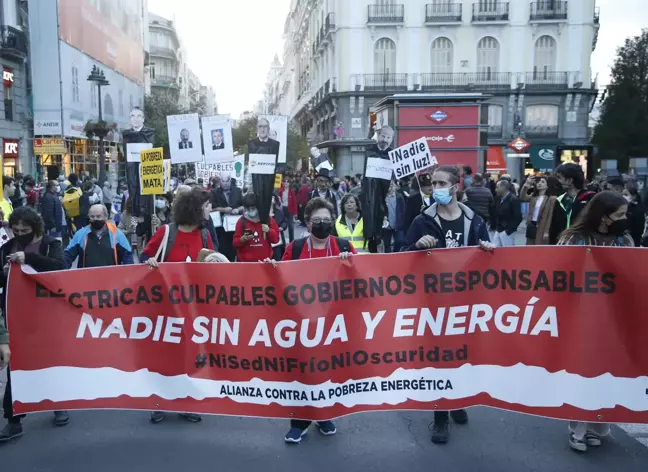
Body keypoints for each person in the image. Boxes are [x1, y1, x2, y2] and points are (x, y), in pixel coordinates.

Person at [402, 165, 493, 444]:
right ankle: (440, 414)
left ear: (456, 187)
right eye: (434, 183)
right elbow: (402, 256)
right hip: (433, 303)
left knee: (461, 357)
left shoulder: (473, 220)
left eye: (442, 183)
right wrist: (417, 246)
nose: (437, 188)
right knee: (438, 360)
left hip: (464, 302)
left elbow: (488, 255)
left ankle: (457, 401)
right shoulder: (422, 220)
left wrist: (487, 250)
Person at [264, 197, 356, 444]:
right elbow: (279, 279)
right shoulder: (295, 247)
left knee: (327, 370)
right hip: (301, 322)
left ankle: (324, 414)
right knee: (302, 371)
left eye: (327, 220)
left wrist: (351, 265)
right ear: (307, 222)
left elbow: (360, 282)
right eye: (317, 220)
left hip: (333, 323)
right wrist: (271, 267)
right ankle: (299, 421)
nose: (322, 224)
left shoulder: (343, 246)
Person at [556, 191, 633, 452]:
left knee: (608, 372)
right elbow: (559, 274)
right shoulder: (573, 239)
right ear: (603, 216)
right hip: (582, 317)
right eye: (620, 214)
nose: (625, 218)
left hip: (614, 318)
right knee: (583, 372)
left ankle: (597, 426)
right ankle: (578, 428)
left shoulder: (624, 240)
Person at [140, 191, 213, 424]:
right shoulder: (166, 232)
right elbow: (145, 255)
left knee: (189, 356)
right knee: (163, 355)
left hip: (193, 307)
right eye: (206, 207)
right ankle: (159, 401)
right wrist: (149, 262)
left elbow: (214, 264)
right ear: (194, 209)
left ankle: (185, 402)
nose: (210, 211)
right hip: (165, 305)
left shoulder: (205, 235)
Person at [0, 207, 67, 442]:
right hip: (16, 316)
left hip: (47, 314)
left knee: (49, 360)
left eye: (25, 230)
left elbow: (60, 268)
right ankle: (13, 419)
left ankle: (58, 404)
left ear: (35, 228)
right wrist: (5, 273)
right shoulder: (7, 248)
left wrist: (29, 259)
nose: (20, 234)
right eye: (16, 230)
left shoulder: (50, 244)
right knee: (15, 365)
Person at [63, 204, 134, 269]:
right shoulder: (80, 234)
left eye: (98, 216)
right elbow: (68, 255)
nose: (95, 219)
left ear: (106, 216)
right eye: (92, 216)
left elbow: (127, 256)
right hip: (86, 279)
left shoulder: (117, 234)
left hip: (112, 280)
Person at [550, 163, 596, 244]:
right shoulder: (559, 200)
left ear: (570, 180)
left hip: (583, 245)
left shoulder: (591, 198)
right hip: (561, 245)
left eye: (559, 178)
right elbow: (554, 228)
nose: (557, 181)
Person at [233, 192, 280, 262]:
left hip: (265, 261)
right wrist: (242, 239)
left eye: (253, 208)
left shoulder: (267, 219)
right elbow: (235, 243)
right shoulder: (242, 221)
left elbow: (276, 240)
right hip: (247, 263)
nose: (251, 211)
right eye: (248, 209)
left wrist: (269, 231)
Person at [520, 175, 559, 245]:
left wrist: (547, 231)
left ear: (547, 186)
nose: (539, 183)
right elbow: (522, 197)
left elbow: (550, 216)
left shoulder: (551, 198)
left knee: (539, 246)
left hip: (542, 225)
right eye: (538, 182)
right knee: (529, 247)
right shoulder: (533, 196)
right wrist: (526, 185)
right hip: (532, 224)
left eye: (543, 182)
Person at [211, 178, 244, 261]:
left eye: (227, 181)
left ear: (230, 181)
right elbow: (211, 209)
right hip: (221, 229)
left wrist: (238, 209)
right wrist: (223, 209)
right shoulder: (214, 192)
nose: (225, 183)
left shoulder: (237, 191)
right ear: (220, 181)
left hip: (234, 227)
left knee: (233, 252)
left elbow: (244, 206)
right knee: (222, 252)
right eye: (223, 181)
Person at [491, 179, 522, 247]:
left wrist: (508, 231)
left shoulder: (513, 199)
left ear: (503, 188)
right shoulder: (498, 199)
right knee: (494, 250)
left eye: (497, 187)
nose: (495, 190)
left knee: (508, 253)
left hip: (507, 232)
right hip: (498, 230)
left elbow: (518, 218)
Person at [383, 180, 406, 253]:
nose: (390, 186)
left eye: (391, 184)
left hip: (398, 224)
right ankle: (388, 259)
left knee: (400, 241)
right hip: (386, 225)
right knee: (386, 244)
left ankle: (396, 254)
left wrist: (402, 222)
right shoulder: (382, 197)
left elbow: (403, 210)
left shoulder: (399, 196)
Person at [278, 177, 297, 242]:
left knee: (291, 225)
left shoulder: (291, 191)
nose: (286, 183)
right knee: (281, 225)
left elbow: (294, 202)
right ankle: (281, 240)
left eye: (287, 181)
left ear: (289, 183)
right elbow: (278, 200)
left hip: (290, 210)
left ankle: (291, 241)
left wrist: (295, 213)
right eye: (284, 181)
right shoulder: (280, 191)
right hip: (283, 209)